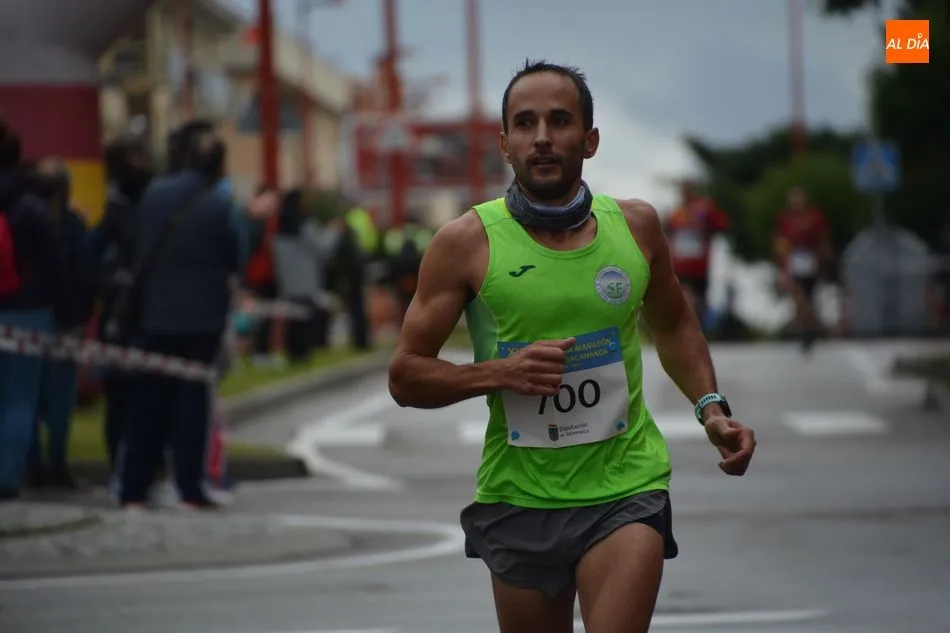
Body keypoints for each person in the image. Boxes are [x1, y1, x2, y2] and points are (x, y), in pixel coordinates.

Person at [387, 60, 757, 633]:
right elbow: (405, 376)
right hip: (519, 496)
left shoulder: (635, 228)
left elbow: (675, 326)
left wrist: (711, 408)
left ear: (590, 140)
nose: (542, 137)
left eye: (559, 121)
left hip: (627, 487)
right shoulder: (465, 243)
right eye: (525, 123)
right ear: (504, 144)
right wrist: (499, 373)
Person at [0, 119, 79, 501]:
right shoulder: (31, 206)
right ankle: (9, 476)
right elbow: (54, 266)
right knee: (20, 397)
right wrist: (67, 316)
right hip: (27, 311)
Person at [773, 186, 832, 352]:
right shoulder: (785, 219)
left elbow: (822, 238)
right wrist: (782, 261)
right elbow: (780, 241)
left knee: (810, 298)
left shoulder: (814, 216)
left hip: (810, 259)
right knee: (799, 298)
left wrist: (824, 259)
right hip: (794, 260)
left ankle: (809, 328)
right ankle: (803, 330)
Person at [664, 180, 731, 323]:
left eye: (686, 189)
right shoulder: (676, 214)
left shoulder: (705, 210)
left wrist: (707, 229)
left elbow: (723, 225)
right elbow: (668, 235)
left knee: (698, 300)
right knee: (684, 297)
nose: (684, 193)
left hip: (699, 266)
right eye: (682, 190)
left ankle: (697, 324)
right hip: (680, 265)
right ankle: (687, 324)